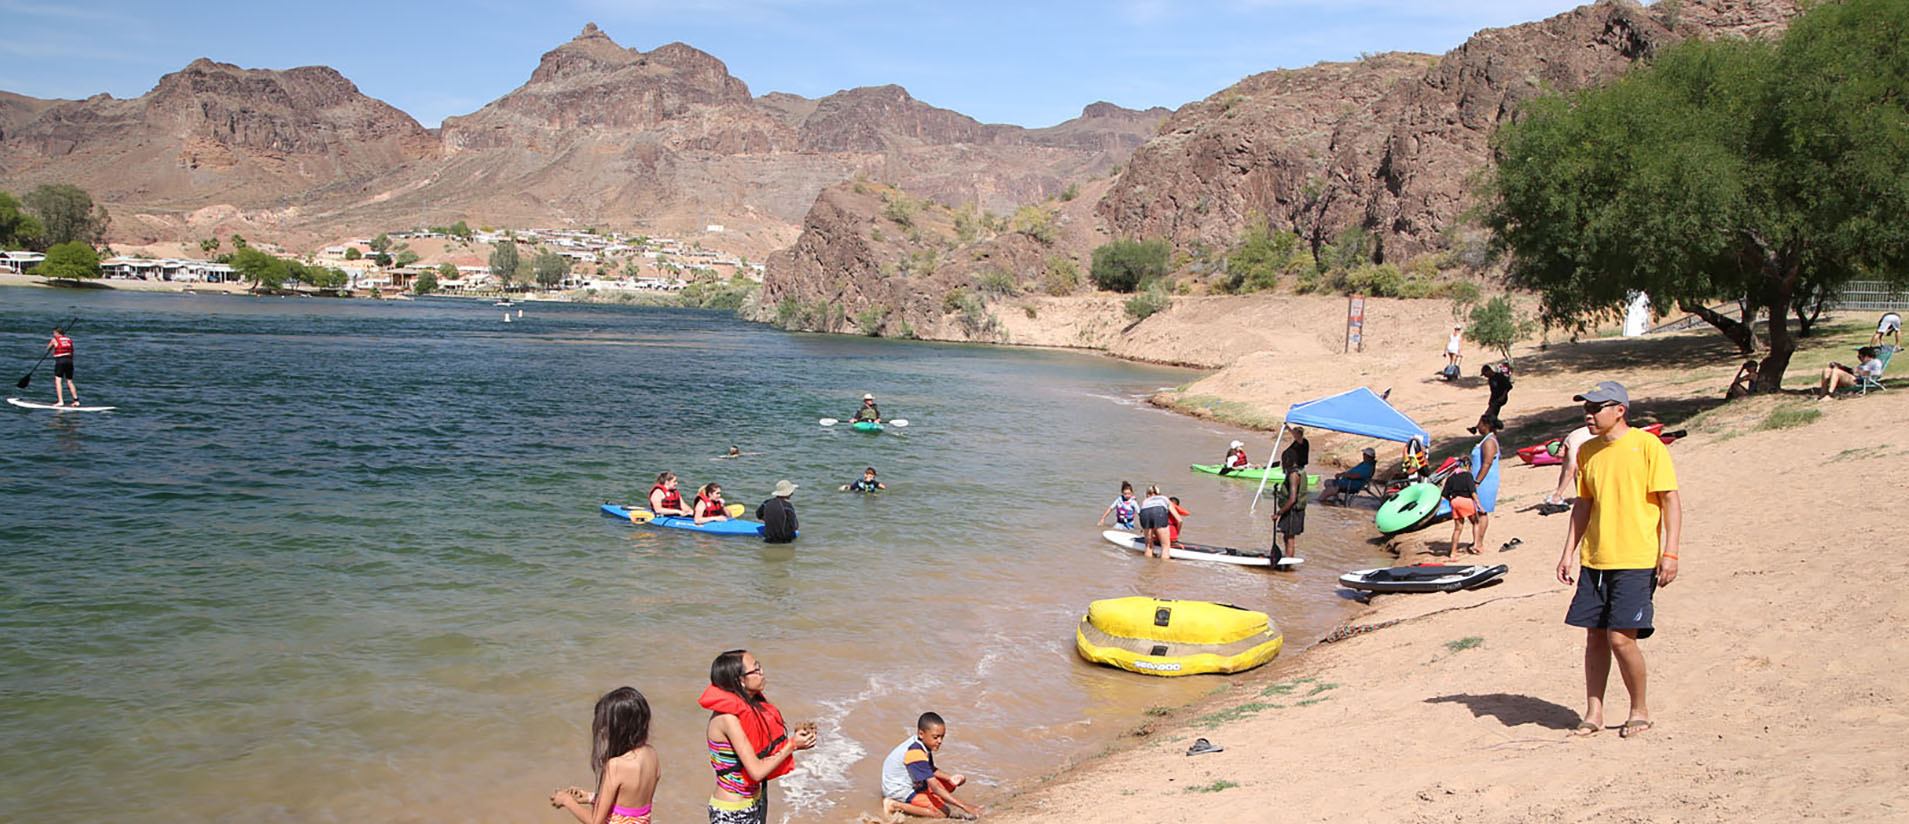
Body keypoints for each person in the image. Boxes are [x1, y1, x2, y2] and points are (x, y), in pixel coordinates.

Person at [1555, 381, 1680, 740]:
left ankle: (1638, 709)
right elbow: (1584, 504)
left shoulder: (1647, 446)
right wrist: (1568, 553)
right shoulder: (1588, 451)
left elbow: (1670, 500)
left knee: (1622, 639)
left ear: (1620, 410)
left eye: (1597, 407)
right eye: (1586, 409)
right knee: (1594, 637)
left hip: (1637, 558)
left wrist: (1670, 552)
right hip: (1595, 558)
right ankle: (1594, 711)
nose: (1589, 415)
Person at [701, 650, 817, 824]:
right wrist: (792, 745)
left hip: (755, 802)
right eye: (755, 670)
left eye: (759, 666)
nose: (761, 672)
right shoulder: (727, 719)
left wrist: (798, 739)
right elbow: (756, 771)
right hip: (731, 811)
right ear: (740, 680)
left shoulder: (752, 707)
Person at [550, 687, 660, 824]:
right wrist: (591, 797)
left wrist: (566, 800)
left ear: (618, 728)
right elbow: (628, 804)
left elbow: (595, 821)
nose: (603, 731)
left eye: (605, 725)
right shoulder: (651, 755)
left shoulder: (615, 765)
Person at [880, 712, 984, 820]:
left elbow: (930, 769)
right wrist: (964, 806)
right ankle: (894, 805)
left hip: (911, 782)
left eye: (942, 737)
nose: (940, 741)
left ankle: (925, 797)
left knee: (951, 784)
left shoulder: (922, 743)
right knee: (943, 813)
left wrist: (950, 778)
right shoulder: (915, 753)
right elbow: (935, 787)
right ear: (921, 734)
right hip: (898, 790)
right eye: (936, 737)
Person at [1467, 415, 1503, 551]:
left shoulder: (1489, 442)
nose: (1478, 426)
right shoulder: (1485, 441)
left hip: (1485, 481)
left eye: (1480, 423)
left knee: (1482, 511)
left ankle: (1479, 543)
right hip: (1480, 479)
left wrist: (1477, 482)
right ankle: (1476, 540)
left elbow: (1487, 463)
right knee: (1475, 511)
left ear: (1486, 425)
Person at [1543, 425, 1596, 508]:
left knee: (1577, 470)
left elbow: (1569, 473)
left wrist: (1557, 494)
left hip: (1601, 436)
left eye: (1557, 455)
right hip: (1595, 437)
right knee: (1576, 470)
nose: (1558, 458)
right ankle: (1581, 495)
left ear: (1560, 449)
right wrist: (1558, 492)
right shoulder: (1566, 444)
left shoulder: (1571, 444)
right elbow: (1564, 471)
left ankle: (1583, 496)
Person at [1271, 454, 1307, 567]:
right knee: (1287, 536)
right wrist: (1280, 493)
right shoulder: (1299, 471)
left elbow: (1292, 499)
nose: (1282, 464)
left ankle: (1288, 565)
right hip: (1293, 510)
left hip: (1293, 512)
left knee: (1290, 537)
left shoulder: (1294, 475)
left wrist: (1278, 513)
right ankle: (1287, 562)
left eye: (1284, 461)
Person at [1441, 456, 1479, 557]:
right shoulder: (1468, 475)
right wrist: (1479, 505)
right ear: (1468, 465)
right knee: (1476, 522)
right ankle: (1476, 545)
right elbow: (1472, 491)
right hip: (1466, 501)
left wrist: (1451, 501)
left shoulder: (1451, 478)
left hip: (1455, 501)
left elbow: (1444, 494)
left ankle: (1453, 552)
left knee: (1458, 528)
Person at [1815, 347, 1883, 399]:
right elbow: (1853, 372)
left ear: (1867, 356)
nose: (1858, 358)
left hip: (1858, 381)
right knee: (1827, 370)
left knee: (1836, 372)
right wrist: (1842, 367)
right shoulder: (1863, 364)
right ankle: (1823, 394)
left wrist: (1861, 372)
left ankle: (1830, 395)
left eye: (1860, 356)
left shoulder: (1875, 362)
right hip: (1853, 378)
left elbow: (1878, 373)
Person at [1135, 485, 1175, 561]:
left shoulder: (1145, 501)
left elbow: (1147, 516)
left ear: (1147, 494)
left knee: (1149, 546)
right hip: (1159, 511)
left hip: (1144, 512)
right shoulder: (1164, 498)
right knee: (1165, 547)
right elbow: (1179, 520)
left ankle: (1149, 567)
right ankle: (1163, 570)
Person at [45, 325, 80, 407]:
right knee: (69, 381)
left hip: (60, 361)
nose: (53, 334)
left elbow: (48, 348)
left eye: (54, 333)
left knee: (58, 381)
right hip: (69, 361)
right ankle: (76, 401)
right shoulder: (69, 340)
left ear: (56, 333)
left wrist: (52, 346)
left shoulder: (54, 339)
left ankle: (60, 401)